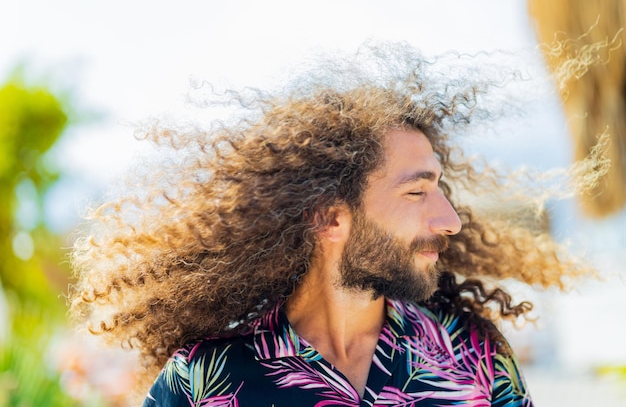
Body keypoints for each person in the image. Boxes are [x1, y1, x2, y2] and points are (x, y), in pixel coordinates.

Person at [69, 44, 592, 406]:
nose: (449, 219)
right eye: (416, 192)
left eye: (441, 190)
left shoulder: (475, 358)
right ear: (328, 216)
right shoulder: (201, 382)